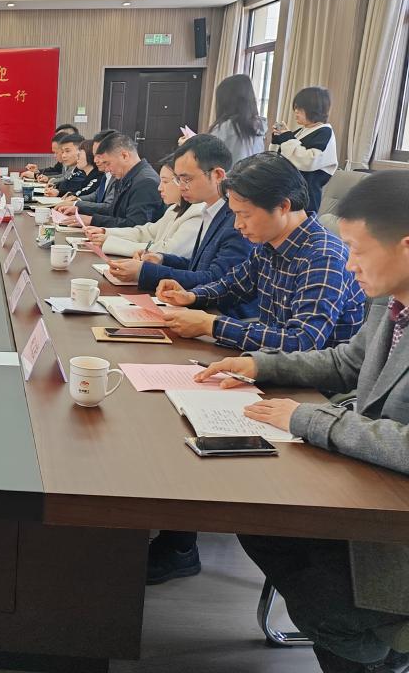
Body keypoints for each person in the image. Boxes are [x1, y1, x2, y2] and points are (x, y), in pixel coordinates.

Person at [196, 170, 409, 673]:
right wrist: (259, 365)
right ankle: (366, 639)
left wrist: (311, 420)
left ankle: (378, 649)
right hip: (371, 487)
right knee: (258, 522)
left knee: (325, 605)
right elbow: (346, 362)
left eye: (356, 249)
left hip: (395, 519)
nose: (348, 263)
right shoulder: (392, 301)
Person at [157, 152, 365, 351]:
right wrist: (191, 296)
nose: (237, 225)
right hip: (266, 363)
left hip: (308, 376)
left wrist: (211, 325)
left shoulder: (323, 258)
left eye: (245, 215)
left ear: (283, 206)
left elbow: (302, 341)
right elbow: (232, 287)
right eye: (235, 214)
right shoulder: (269, 245)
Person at [108, 134, 255, 317]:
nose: (181, 186)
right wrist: (162, 259)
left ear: (217, 175)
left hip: (220, 316)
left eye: (187, 179)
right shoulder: (211, 210)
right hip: (198, 308)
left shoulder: (236, 219)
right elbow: (198, 266)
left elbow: (215, 279)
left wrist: (144, 271)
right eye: (178, 179)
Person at [85, 154, 204, 259]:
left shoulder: (197, 213)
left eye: (165, 182)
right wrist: (106, 232)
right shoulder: (174, 209)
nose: (160, 188)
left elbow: (167, 251)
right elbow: (146, 233)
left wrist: (111, 243)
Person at [53, 132, 164, 228]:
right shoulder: (127, 175)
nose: (107, 169)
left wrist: (92, 220)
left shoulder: (146, 182)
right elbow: (112, 210)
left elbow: (135, 226)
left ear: (124, 156)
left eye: (108, 163)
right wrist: (79, 208)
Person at [270, 86, 338, 213]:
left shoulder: (324, 132)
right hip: (287, 190)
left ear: (314, 110)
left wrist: (287, 137)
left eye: (300, 109)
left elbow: (309, 161)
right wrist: (279, 139)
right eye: (295, 108)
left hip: (306, 197)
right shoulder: (301, 131)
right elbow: (280, 157)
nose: (296, 112)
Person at [181, 74, 266, 161]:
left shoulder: (227, 127)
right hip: (252, 170)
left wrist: (188, 145)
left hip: (230, 170)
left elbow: (206, 156)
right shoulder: (259, 126)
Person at [56, 129, 118, 213]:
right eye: (95, 155)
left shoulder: (117, 176)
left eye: (99, 155)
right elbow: (96, 195)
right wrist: (78, 199)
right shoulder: (107, 174)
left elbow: (108, 207)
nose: (95, 160)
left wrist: (76, 204)